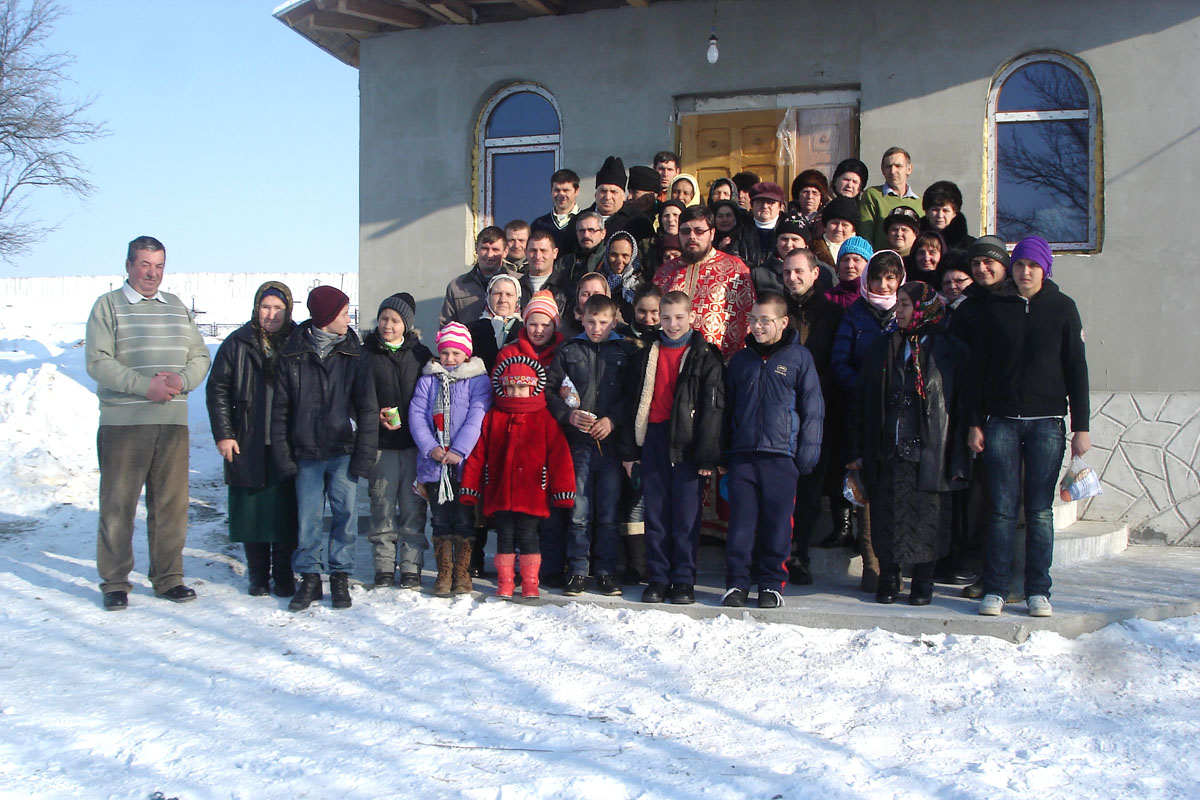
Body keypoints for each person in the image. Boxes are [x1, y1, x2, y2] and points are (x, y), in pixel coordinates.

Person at [87, 236, 211, 611]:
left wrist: (182, 380)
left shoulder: (176, 307)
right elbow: (98, 361)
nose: (152, 273)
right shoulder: (108, 306)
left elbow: (200, 356)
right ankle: (115, 581)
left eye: (158, 266)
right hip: (125, 424)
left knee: (171, 506)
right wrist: (146, 387)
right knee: (119, 505)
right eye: (144, 264)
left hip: (171, 423)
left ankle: (168, 577)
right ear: (128, 265)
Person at [969, 236, 1090, 618]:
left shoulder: (1063, 308)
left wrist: (1082, 426)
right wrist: (974, 422)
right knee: (1002, 510)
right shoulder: (996, 309)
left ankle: (1038, 590)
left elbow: (1077, 368)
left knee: (1039, 511)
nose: (1025, 272)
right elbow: (978, 370)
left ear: (1045, 270)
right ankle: (996, 588)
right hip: (1001, 422)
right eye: (1020, 264)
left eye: (1033, 266)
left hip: (1046, 424)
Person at [848, 282, 971, 605]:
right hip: (888, 447)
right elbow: (863, 400)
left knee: (928, 518)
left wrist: (959, 454)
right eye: (898, 304)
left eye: (905, 304)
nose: (899, 310)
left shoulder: (951, 350)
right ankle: (889, 577)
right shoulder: (884, 346)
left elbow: (960, 404)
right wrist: (857, 448)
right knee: (886, 516)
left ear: (923, 309)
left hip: (931, 450)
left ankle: (923, 580)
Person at [273, 285, 379, 612]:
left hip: (343, 450)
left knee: (345, 515)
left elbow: (368, 409)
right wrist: (284, 456)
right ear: (327, 316)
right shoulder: (293, 354)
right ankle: (309, 577)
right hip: (306, 452)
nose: (349, 319)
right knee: (308, 518)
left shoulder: (355, 354)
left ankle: (340, 576)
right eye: (344, 313)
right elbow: (280, 411)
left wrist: (363, 456)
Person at [618, 291, 725, 605]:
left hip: (688, 442)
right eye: (666, 318)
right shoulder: (646, 353)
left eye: (679, 317)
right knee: (657, 514)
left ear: (691, 317)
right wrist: (630, 452)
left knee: (686, 516)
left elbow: (713, 409)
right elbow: (631, 402)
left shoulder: (705, 355)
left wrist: (707, 455)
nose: (672, 324)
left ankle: (683, 580)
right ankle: (658, 578)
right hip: (653, 438)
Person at [722, 292, 824, 609]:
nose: (757, 326)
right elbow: (726, 410)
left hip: (781, 456)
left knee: (777, 525)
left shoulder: (799, 358)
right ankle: (737, 582)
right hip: (743, 455)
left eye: (765, 320)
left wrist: (805, 455)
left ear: (783, 322)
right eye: (753, 319)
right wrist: (723, 451)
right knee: (741, 525)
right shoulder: (741, 361)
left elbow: (812, 409)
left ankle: (771, 583)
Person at [206, 281, 298, 598]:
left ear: (288, 310)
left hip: (287, 442)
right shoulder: (238, 343)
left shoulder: (298, 342)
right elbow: (217, 390)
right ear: (256, 308)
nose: (271, 314)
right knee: (253, 512)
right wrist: (224, 434)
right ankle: (258, 575)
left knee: (286, 511)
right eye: (265, 307)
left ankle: (284, 574)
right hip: (248, 439)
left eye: (278, 308)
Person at [460, 354, 576, 600]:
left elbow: (559, 456)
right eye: (510, 387)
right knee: (504, 536)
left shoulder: (544, 418)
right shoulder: (494, 416)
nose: (515, 393)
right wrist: (471, 487)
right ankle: (505, 580)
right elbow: (478, 454)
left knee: (528, 536)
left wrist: (563, 491)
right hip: (500, 491)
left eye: (522, 387)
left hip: (532, 492)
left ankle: (530, 581)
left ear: (533, 387)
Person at [546, 293, 636, 597]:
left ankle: (606, 572)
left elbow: (633, 395)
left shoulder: (624, 351)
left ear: (614, 321)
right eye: (591, 321)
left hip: (610, 446)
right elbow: (550, 390)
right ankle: (578, 570)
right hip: (578, 445)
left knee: (608, 514)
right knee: (579, 511)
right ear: (581, 319)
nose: (597, 328)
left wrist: (612, 420)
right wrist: (568, 416)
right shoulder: (569, 349)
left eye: (604, 322)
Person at [830, 250, 906, 592]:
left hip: (900, 413)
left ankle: (896, 565)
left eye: (890, 278)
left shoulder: (905, 312)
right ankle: (872, 567)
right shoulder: (855, 314)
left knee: (898, 491)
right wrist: (865, 385)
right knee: (867, 491)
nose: (883, 285)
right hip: (861, 411)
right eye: (877, 278)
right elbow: (839, 362)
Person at [777, 250, 847, 579]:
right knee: (777, 488)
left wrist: (814, 392)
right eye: (787, 272)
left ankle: (798, 555)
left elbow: (838, 361)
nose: (792, 278)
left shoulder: (833, 313)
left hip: (819, 413)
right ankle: (773, 554)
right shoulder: (776, 310)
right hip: (778, 412)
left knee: (808, 490)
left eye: (799, 271)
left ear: (815, 273)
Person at [409, 322, 492, 597]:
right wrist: (430, 447)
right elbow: (417, 416)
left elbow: (477, 417)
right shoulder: (428, 379)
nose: (450, 358)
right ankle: (444, 571)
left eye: (456, 353)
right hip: (435, 464)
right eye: (445, 353)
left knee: (465, 518)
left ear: (466, 354)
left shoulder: (477, 380)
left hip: (464, 464)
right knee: (441, 518)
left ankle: (463, 571)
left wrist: (459, 450)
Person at [494, 291, 569, 586]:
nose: (539, 330)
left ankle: (549, 567)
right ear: (525, 323)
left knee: (549, 507)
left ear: (555, 325)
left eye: (545, 324)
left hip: (556, 431)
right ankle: (509, 569)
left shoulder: (564, 351)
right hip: (518, 435)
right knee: (515, 513)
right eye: (533, 324)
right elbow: (498, 392)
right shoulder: (510, 352)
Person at [364, 293, 433, 590]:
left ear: (406, 324)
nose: (388, 325)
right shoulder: (366, 354)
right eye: (384, 319)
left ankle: (411, 566)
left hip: (414, 445)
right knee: (382, 505)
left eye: (394, 320)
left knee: (413, 507)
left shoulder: (420, 354)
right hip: (382, 445)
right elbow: (357, 396)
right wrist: (373, 415)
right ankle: (383, 565)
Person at [654, 205, 755, 359]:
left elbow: (749, 320)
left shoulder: (735, 270)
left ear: (712, 233)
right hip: (671, 360)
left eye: (699, 231)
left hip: (719, 362)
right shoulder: (665, 272)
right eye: (685, 231)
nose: (692, 237)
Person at [439, 226, 516, 325]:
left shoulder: (518, 282)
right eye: (485, 249)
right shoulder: (457, 287)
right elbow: (447, 326)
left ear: (505, 252)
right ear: (476, 249)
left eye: (495, 249)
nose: (489, 255)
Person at [859, 147, 922, 250]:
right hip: (882, 258)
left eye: (898, 166)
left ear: (909, 169)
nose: (893, 171)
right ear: (882, 170)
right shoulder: (873, 195)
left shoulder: (920, 203)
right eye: (888, 166)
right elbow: (865, 235)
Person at [467, 272, 524, 373]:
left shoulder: (525, 331)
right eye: (497, 294)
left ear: (517, 299)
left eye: (509, 295)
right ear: (489, 296)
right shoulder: (470, 331)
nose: (503, 300)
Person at [598, 230, 645, 323]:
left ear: (632, 257)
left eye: (625, 256)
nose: (619, 261)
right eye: (614, 255)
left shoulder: (639, 285)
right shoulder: (598, 280)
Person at [531, 168, 581, 255]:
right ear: (551, 191)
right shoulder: (539, 224)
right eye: (557, 190)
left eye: (566, 190)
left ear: (576, 191)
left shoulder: (586, 220)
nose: (561, 194)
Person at [521, 228, 570, 315]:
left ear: (555, 253)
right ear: (526, 253)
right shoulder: (515, 287)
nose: (538, 256)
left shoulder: (567, 289)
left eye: (543, 251)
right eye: (533, 251)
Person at [920, 180, 974, 252]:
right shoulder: (914, 241)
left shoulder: (971, 247)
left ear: (954, 213)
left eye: (945, 211)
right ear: (926, 212)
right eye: (935, 210)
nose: (940, 215)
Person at [809, 196, 860, 269]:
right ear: (825, 226)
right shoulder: (811, 249)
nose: (839, 229)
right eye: (834, 223)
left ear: (853, 229)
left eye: (845, 225)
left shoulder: (862, 252)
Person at [826, 235, 874, 311]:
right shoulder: (827, 299)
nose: (850, 265)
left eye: (856, 260)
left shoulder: (877, 299)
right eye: (845, 260)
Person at [560, 211, 607, 287]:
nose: (586, 235)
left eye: (591, 230)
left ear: (603, 233)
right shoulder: (564, 262)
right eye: (582, 231)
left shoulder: (609, 259)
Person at [560, 270, 610, 340]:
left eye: (597, 294)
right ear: (578, 296)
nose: (591, 299)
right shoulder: (563, 329)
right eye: (585, 294)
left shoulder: (617, 330)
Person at [712, 198, 760, 267]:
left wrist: (728, 251)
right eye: (720, 216)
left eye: (729, 215)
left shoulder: (746, 238)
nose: (724, 220)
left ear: (735, 218)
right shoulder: (708, 239)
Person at [748, 181, 788, 266]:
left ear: (780, 206)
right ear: (752, 206)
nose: (765, 206)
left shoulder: (790, 230)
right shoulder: (740, 232)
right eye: (760, 202)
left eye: (771, 202)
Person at [788, 169, 830, 235]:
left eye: (814, 193)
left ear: (821, 197)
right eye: (805, 192)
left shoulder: (827, 220)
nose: (810, 197)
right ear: (798, 195)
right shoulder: (787, 218)